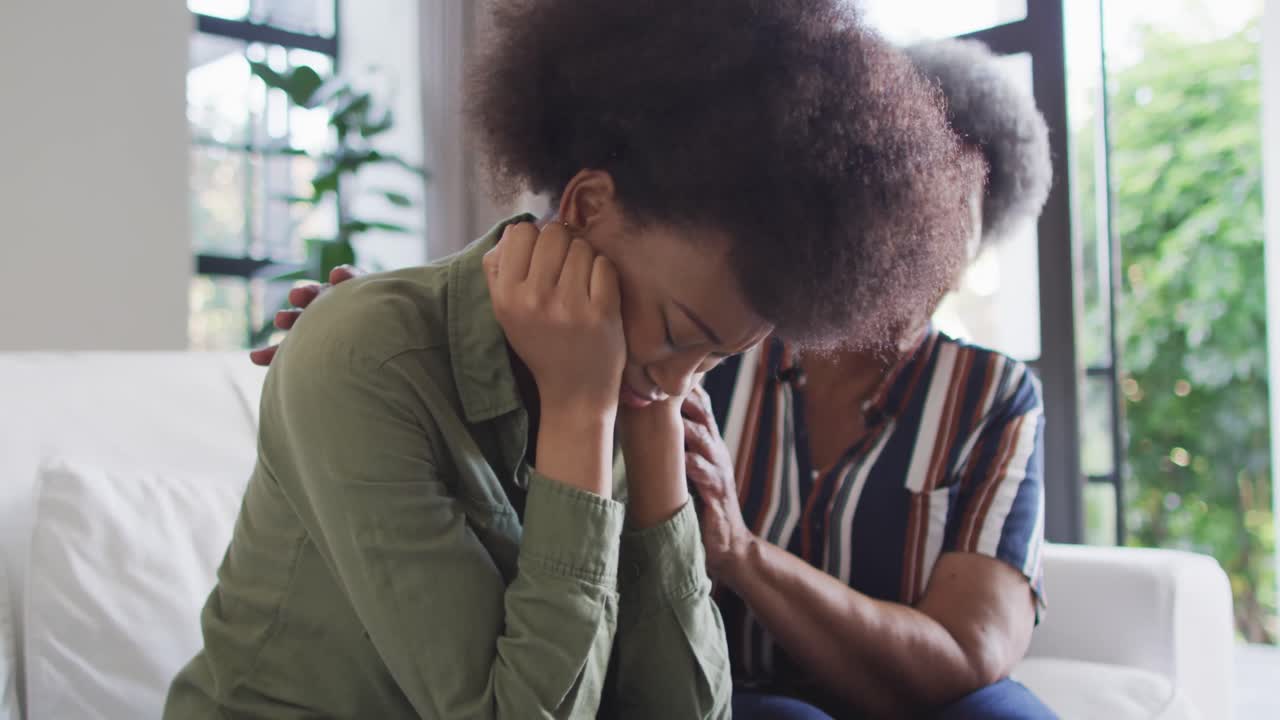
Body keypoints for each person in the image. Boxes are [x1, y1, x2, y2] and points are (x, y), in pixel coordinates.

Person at [168, 1, 981, 718]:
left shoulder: (644, 394)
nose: (674, 380)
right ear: (588, 206)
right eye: (673, 329)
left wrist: (650, 438)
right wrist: (581, 411)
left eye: (714, 359)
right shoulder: (368, 360)